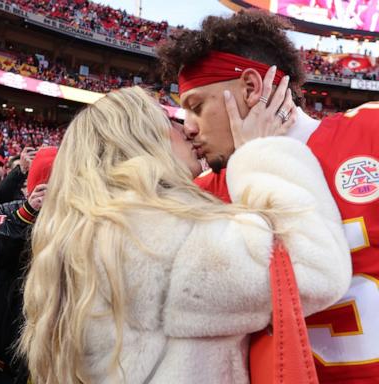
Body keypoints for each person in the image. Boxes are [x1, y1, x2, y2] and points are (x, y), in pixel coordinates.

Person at [19, 86, 350, 384]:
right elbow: (313, 268)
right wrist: (262, 150)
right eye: (169, 121)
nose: (187, 129)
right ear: (141, 138)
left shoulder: (94, 229)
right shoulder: (151, 236)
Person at [157, 9, 379, 383]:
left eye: (196, 106)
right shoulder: (203, 192)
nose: (188, 127)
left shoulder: (370, 131)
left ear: (250, 88)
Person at [0, 147, 54, 384]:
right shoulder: (11, 210)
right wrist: (27, 213)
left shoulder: (75, 221)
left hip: (44, 344)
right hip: (5, 341)